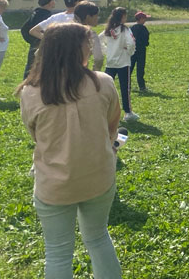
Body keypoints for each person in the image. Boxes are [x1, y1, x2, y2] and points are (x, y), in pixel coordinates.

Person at [17, 22, 122, 279]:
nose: (91, 48)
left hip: (54, 183)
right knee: (98, 238)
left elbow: (36, 134)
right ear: (78, 50)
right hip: (98, 176)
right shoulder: (103, 83)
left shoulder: (30, 92)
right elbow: (112, 126)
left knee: (58, 253)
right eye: (88, 44)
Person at [101, 7, 138, 122]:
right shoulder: (125, 29)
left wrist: (107, 51)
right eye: (125, 16)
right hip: (123, 63)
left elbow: (97, 40)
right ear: (122, 16)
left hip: (110, 62)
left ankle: (103, 110)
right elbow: (131, 43)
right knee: (125, 88)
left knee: (106, 87)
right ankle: (128, 112)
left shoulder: (108, 29)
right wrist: (130, 53)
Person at [21, 0, 57, 79]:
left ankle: (26, 84)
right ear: (49, 3)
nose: (54, 2)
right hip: (42, 44)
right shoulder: (45, 15)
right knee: (38, 66)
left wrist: (32, 41)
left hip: (35, 43)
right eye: (53, 0)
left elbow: (24, 29)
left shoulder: (36, 13)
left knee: (31, 65)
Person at [73, 1, 104, 72]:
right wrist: (95, 73)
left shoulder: (64, 30)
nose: (98, 18)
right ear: (88, 17)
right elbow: (99, 58)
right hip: (80, 73)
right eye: (96, 15)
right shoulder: (91, 34)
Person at [130, 11, 151, 92]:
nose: (145, 20)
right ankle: (142, 87)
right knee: (140, 69)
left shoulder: (132, 28)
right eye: (144, 18)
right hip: (141, 51)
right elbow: (146, 41)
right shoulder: (144, 29)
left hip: (132, 51)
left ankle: (127, 85)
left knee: (130, 68)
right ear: (141, 19)